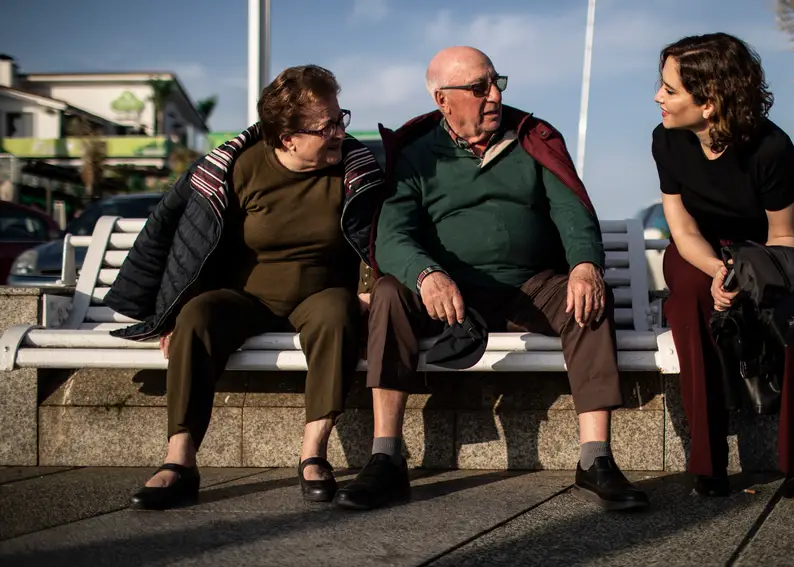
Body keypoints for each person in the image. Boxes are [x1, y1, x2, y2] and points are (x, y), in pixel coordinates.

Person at [332, 46, 649, 512]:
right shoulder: (418, 155)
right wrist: (427, 275)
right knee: (388, 293)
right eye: (480, 87)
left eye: (497, 81)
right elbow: (392, 234)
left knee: (588, 299)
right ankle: (385, 458)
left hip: (530, 285)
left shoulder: (534, 141)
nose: (494, 95)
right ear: (444, 100)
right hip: (450, 293)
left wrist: (584, 265)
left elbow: (573, 214)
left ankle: (595, 459)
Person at [103, 65, 385, 509]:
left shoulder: (354, 166)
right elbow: (200, 243)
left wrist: (368, 286)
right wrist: (177, 305)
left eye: (339, 117)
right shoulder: (239, 167)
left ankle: (313, 453)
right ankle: (179, 461)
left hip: (320, 294)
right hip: (247, 296)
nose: (338, 132)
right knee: (196, 317)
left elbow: (375, 233)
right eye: (326, 125)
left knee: (338, 312)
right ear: (287, 137)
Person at [651, 33, 794, 502]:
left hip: (773, 246)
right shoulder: (665, 140)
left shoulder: (772, 149)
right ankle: (708, 465)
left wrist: (754, 281)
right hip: (703, 248)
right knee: (689, 299)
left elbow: (784, 236)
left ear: (709, 103)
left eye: (669, 90)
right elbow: (682, 229)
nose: (658, 98)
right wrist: (718, 272)